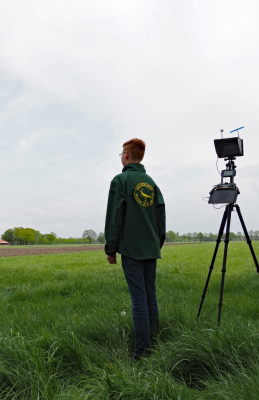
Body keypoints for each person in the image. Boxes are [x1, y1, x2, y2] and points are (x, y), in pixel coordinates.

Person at [104, 138, 166, 359]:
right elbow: (161, 219)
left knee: (138, 298)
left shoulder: (120, 181)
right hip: (150, 248)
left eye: (121, 153)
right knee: (150, 296)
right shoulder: (151, 183)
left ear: (127, 155)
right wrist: (156, 243)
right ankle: (155, 342)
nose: (121, 157)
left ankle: (142, 351)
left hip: (131, 249)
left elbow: (115, 217)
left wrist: (111, 247)